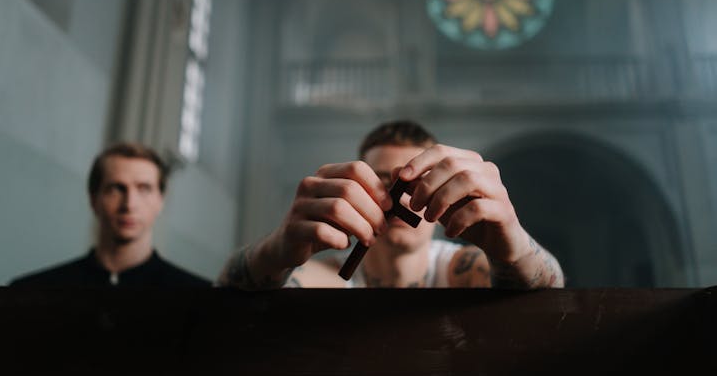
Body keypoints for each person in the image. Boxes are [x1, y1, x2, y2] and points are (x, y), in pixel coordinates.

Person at [219, 120, 564, 289]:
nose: (400, 197)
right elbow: (226, 293)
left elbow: (551, 289)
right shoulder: (330, 280)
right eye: (386, 182)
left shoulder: (463, 269)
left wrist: (514, 248)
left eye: (416, 182)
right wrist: (275, 249)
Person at [10, 142, 211, 288]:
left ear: (161, 201)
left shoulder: (201, 300)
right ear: (93, 199)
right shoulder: (31, 292)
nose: (129, 205)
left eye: (144, 189)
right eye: (116, 189)